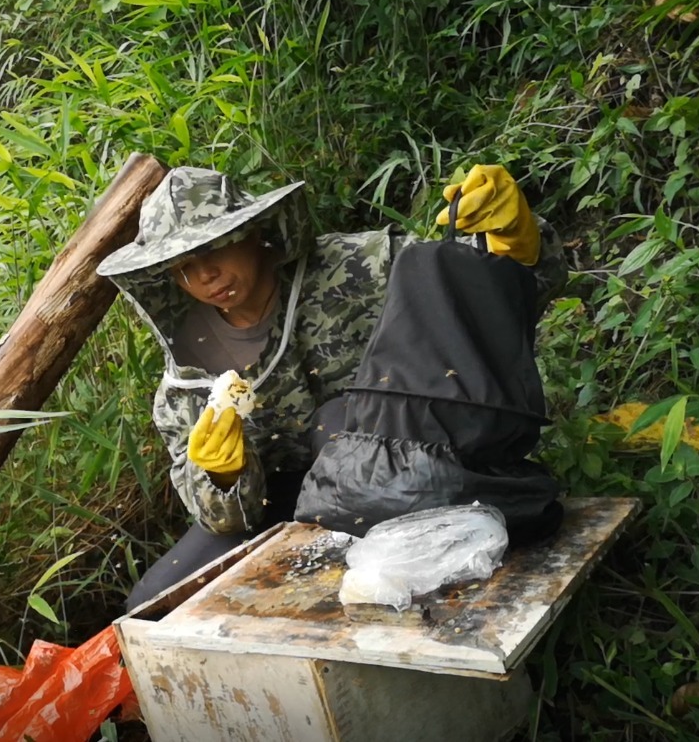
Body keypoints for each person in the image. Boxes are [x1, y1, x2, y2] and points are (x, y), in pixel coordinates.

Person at [96, 165, 566, 611]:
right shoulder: (184, 375)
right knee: (149, 605)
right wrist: (222, 477)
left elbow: (473, 286)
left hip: (393, 474)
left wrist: (519, 246)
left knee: (337, 419)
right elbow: (222, 518)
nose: (203, 277)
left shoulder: (359, 267)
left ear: (253, 232)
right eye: (182, 267)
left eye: (213, 250)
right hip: (275, 504)